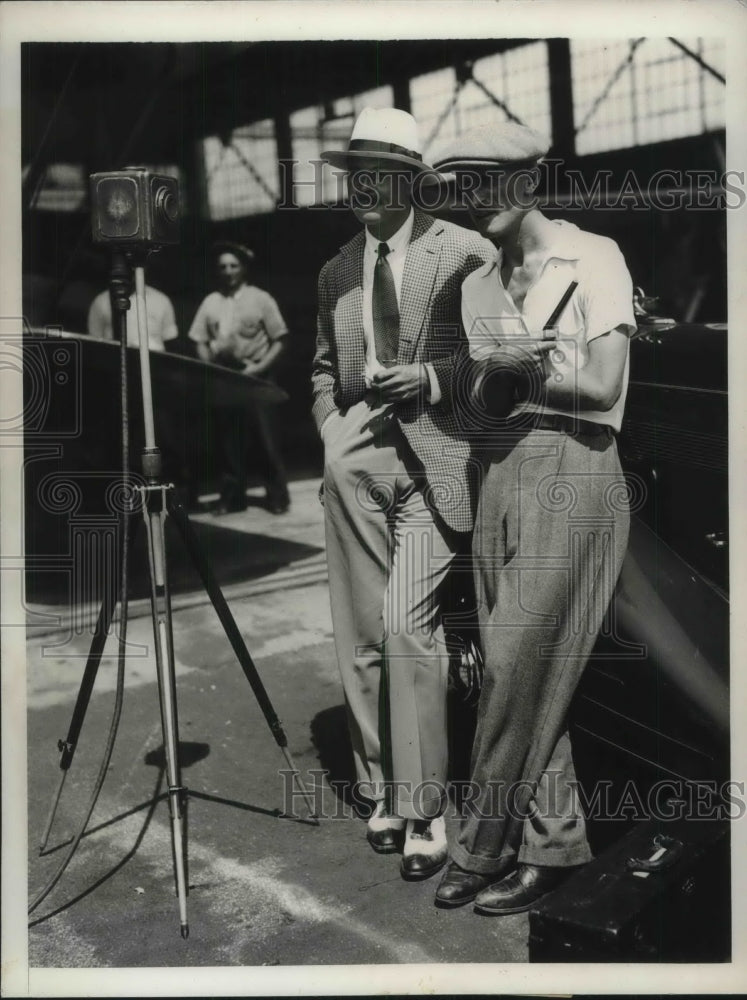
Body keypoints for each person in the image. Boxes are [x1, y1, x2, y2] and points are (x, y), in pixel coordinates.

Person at [429, 123, 636, 913]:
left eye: (485, 179)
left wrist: (518, 379)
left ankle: (480, 844)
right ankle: (551, 848)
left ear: (532, 177)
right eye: (457, 185)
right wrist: (506, 380)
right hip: (498, 469)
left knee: (517, 664)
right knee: (518, 667)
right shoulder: (476, 286)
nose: (468, 197)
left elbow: (603, 385)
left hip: (574, 468)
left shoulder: (595, 257)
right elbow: (475, 402)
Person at [312, 107, 494, 881]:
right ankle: (380, 787)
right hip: (356, 459)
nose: (360, 186)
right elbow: (323, 367)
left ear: (414, 183)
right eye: (353, 172)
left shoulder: (467, 253)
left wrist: (426, 376)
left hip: (440, 457)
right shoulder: (334, 271)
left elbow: (501, 360)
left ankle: (424, 808)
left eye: (377, 174)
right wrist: (331, 428)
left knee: (403, 626)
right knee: (357, 629)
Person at [188, 242, 291, 514]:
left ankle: (277, 496)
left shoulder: (261, 299)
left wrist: (258, 369)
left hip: (256, 375)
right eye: (222, 267)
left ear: (244, 269)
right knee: (228, 441)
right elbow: (199, 338)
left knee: (265, 439)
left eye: (233, 266)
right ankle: (233, 498)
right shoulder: (211, 301)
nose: (228, 271)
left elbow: (280, 340)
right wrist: (207, 366)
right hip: (225, 378)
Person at [87, 283, 178, 351]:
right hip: (113, 365)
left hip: (155, 366)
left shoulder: (161, 300)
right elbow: (95, 342)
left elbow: (171, 343)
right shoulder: (101, 301)